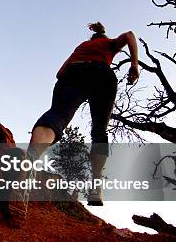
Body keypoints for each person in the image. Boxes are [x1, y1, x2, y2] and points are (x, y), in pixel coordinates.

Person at [27, 21, 139, 206]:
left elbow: (60, 72)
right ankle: (96, 187)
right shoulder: (109, 43)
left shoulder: (81, 47)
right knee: (99, 130)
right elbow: (129, 35)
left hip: (74, 72)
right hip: (102, 75)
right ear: (103, 37)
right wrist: (134, 65)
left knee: (57, 116)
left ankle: (28, 163)